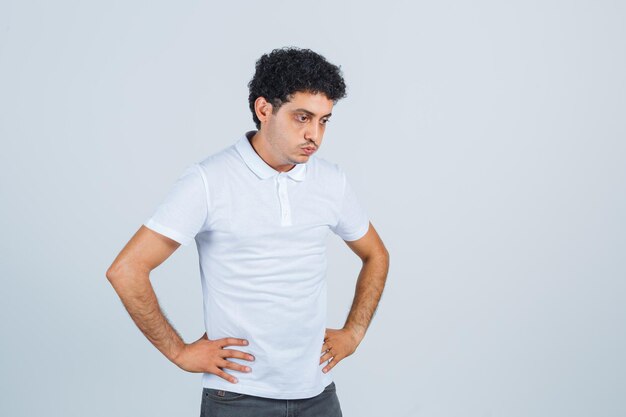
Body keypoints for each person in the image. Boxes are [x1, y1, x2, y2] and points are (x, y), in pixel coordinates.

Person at [106, 46, 390, 417]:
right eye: (302, 117)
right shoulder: (208, 181)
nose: (314, 135)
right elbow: (126, 270)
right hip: (238, 398)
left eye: (323, 121)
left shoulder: (331, 182)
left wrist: (353, 332)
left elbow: (376, 254)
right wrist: (179, 352)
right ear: (263, 109)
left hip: (317, 392)